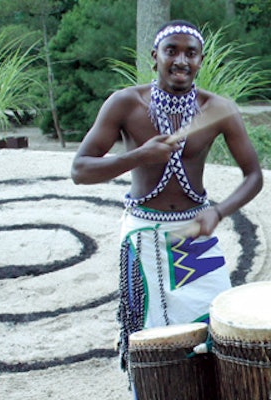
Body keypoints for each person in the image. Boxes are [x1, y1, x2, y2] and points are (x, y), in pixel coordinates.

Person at [71, 19, 263, 394]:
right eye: (171, 50)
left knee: (216, 327)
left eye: (190, 53)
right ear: (154, 56)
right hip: (144, 232)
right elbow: (80, 170)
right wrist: (140, 155)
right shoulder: (126, 103)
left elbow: (254, 175)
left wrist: (219, 211)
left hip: (195, 234)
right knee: (152, 337)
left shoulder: (218, 108)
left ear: (200, 60)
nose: (181, 60)